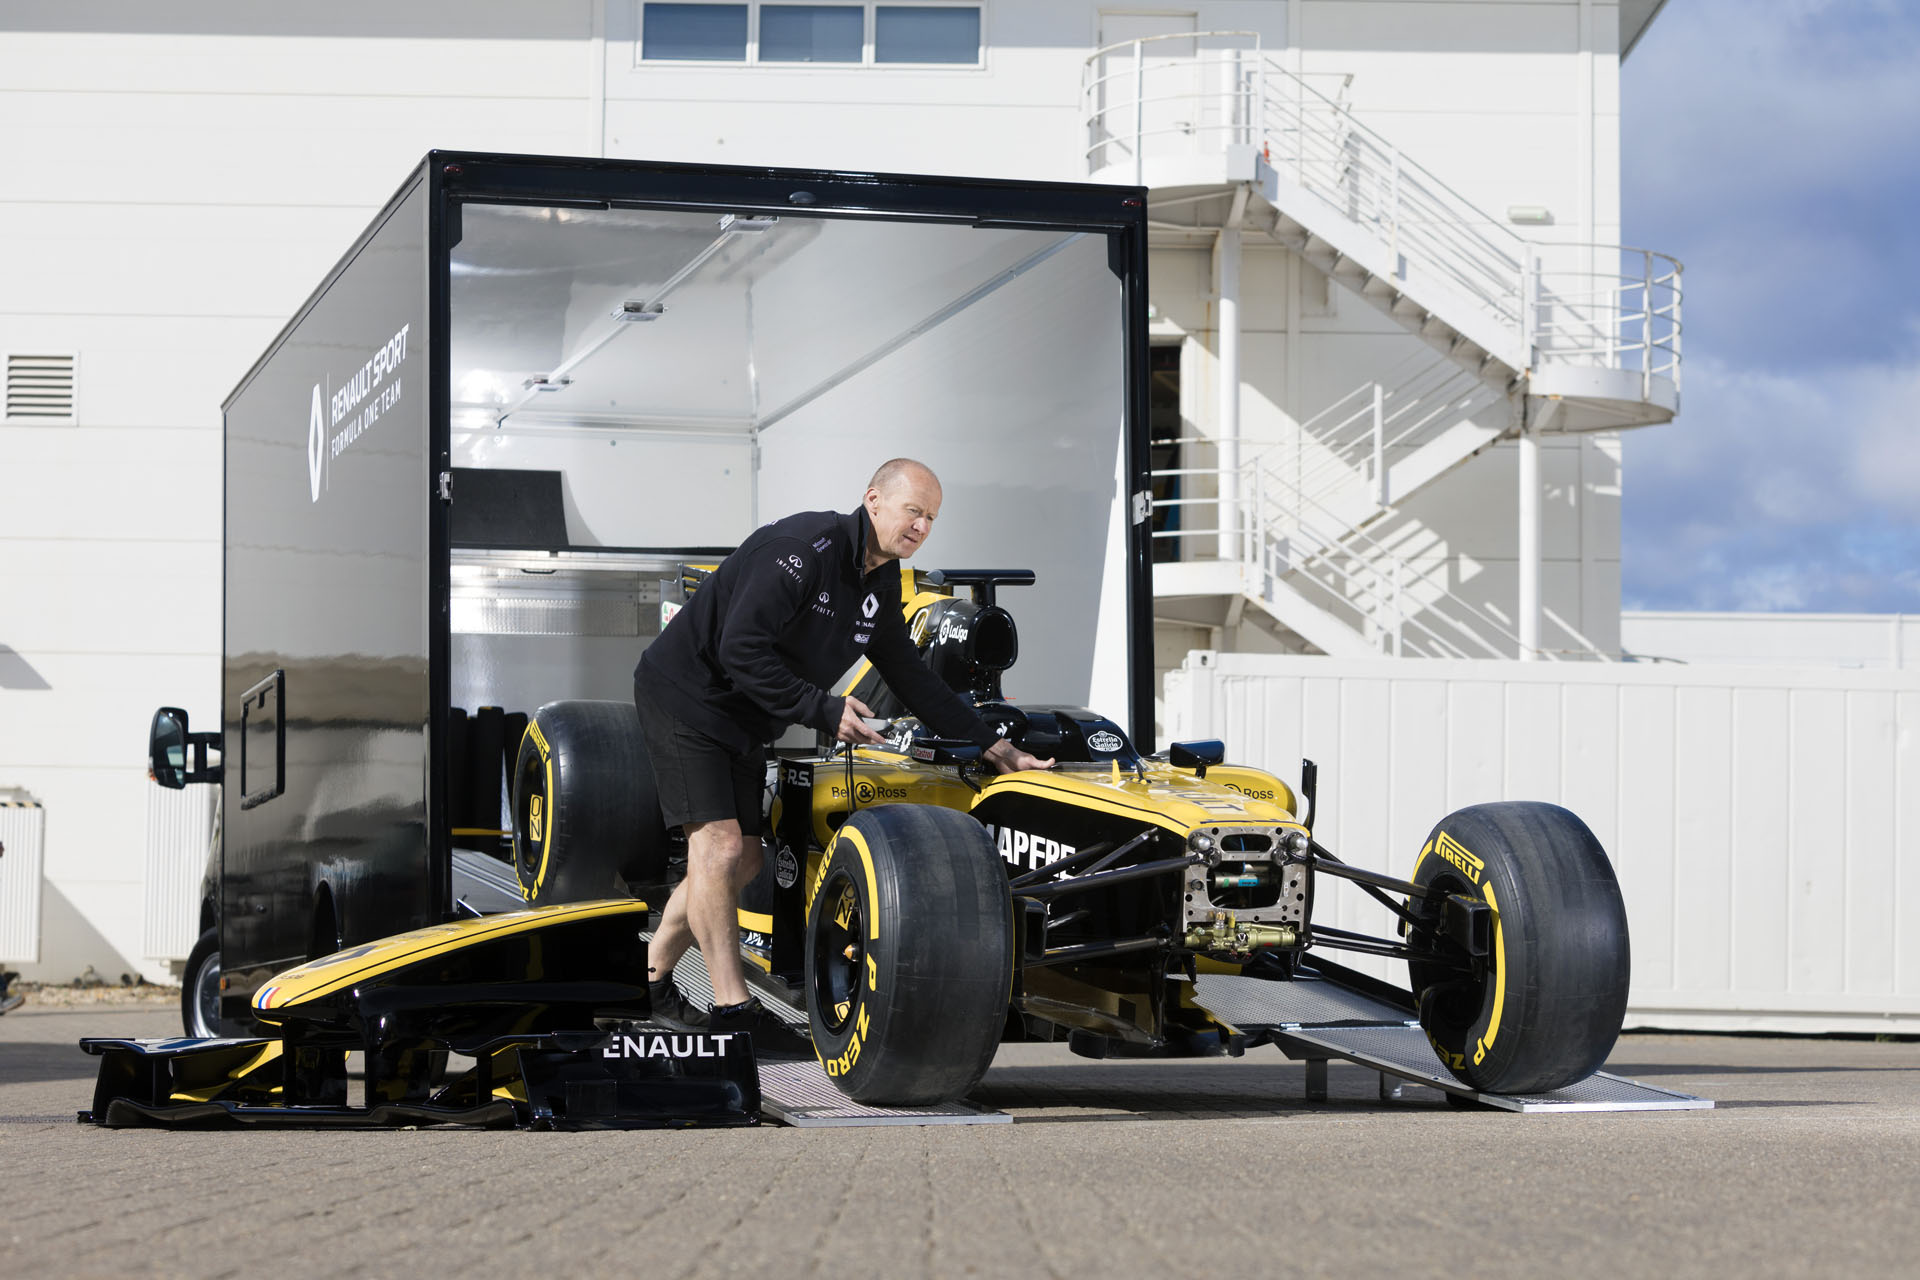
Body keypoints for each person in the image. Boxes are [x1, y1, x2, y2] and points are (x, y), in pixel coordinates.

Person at [632, 458, 1053, 1055]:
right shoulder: (801, 551)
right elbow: (741, 649)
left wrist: (990, 742)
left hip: (746, 718)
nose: (921, 527)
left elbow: (908, 673)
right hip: (687, 698)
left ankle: (646, 978)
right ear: (874, 500)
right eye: (913, 510)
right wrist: (824, 709)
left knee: (744, 859)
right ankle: (733, 1010)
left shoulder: (881, 580)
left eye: (931, 518)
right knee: (719, 848)